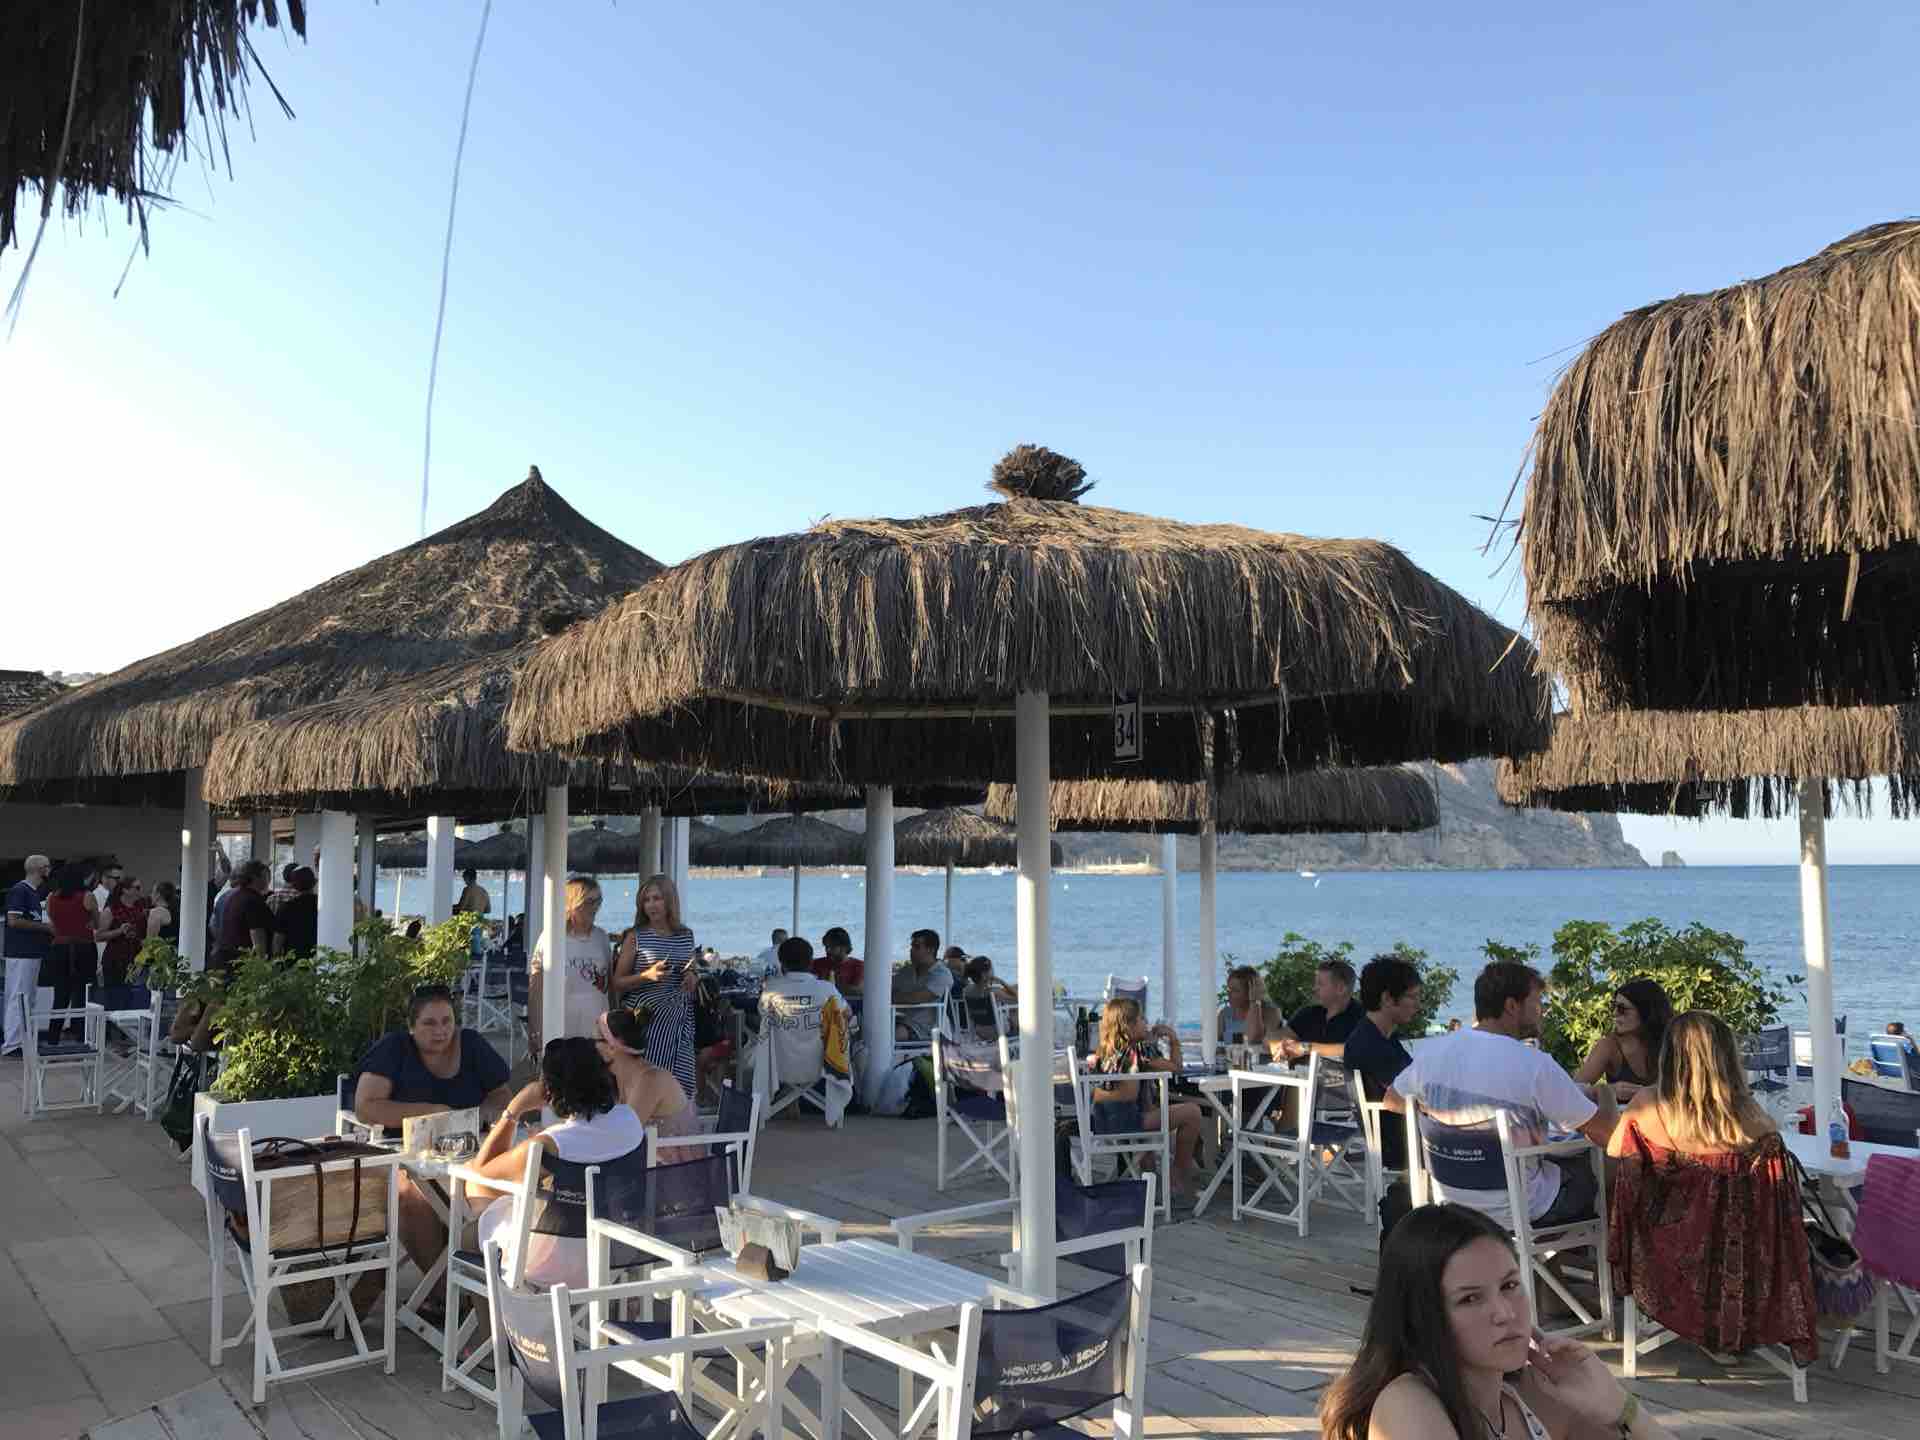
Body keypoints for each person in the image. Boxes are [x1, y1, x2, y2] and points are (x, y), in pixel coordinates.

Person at [1318, 1202, 1674, 1439]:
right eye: (1470, 1299)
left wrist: (1620, 1406)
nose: (1505, 1312)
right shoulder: (1406, 1405)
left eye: (1509, 1285)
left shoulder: (1528, 1395)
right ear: (1422, 1315)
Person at [1605, 1010, 1816, 1364]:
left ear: (1669, 1055)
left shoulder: (1649, 1106)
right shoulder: (1751, 1117)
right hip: (1746, 1256)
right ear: (1727, 1058)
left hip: (1670, 1252)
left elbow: (1616, 1153)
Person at [1387, 961, 1617, 1231]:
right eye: (1537, 1002)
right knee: (1612, 1164)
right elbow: (1608, 1135)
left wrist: (1445, 1118)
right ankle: (1607, 1267)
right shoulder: (1533, 1064)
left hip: (1451, 1201)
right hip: (1521, 1209)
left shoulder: (1433, 1053)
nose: (1542, 1011)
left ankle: (1534, 1271)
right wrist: (1606, 1092)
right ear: (1511, 1006)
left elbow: (1392, 1099)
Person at [352, 985, 514, 1282]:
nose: (440, 1031)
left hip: (467, 1152)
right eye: (429, 1023)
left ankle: (485, 1280)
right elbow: (365, 1107)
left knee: (502, 1190)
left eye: (447, 1021)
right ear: (412, 1027)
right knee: (410, 1197)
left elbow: (501, 1094)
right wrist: (433, 1112)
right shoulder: (394, 1048)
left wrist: (487, 1114)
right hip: (405, 1153)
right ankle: (441, 1293)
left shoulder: (472, 1044)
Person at [467, 1037, 646, 1290]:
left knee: (472, 1232)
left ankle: (506, 1326)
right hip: (616, 1254)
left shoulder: (549, 1144)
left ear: (548, 1090)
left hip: (555, 1266)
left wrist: (513, 1110)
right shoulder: (630, 1121)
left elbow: (480, 1175)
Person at [1088, 996, 1206, 1202]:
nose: (1147, 1023)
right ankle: (1176, 1177)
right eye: (1142, 1019)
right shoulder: (1139, 1050)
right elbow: (1175, 1068)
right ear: (1130, 1026)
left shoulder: (1105, 1050)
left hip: (1102, 1121)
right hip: (1128, 1123)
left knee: (1150, 1106)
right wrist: (1173, 1039)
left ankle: (1148, 1183)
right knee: (1192, 1112)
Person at [610, 873, 698, 1096]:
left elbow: (690, 968)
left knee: (679, 1086)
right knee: (646, 1086)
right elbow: (617, 983)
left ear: (669, 900)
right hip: (646, 1022)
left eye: (657, 898)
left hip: (678, 1020)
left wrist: (691, 976)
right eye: (646, 900)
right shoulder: (636, 937)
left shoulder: (685, 935)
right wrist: (647, 976)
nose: (651, 905)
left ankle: (675, 1129)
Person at [172, 860, 274, 1051]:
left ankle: (190, 1032)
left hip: (215, 962)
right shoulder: (254, 901)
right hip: (235, 971)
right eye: (266, 875)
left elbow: (213, 927)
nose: (268, 880)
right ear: (258, 877)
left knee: (202, 1008)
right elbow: (258, 944)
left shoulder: (225, 897)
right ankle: (201, 1037)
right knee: (214, 1016)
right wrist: (262, 973)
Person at [1345, 955, 1423, 1169]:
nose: (1418, 1005)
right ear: (1388, 998)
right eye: (1412, 997)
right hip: (1402, 1144)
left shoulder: (1378, 1035)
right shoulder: (1371, 1044)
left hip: (1400, 1136)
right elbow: (1405, 1095)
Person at [596, 1009, 699, 1162]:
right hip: (649, 1166)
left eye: (596, 1040)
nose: (593, 1046)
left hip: (674, 1173)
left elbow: (624, 1135)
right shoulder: (621, 1077)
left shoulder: (651, 1080)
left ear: (612, 1047)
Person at [528, 877, 613, 1054]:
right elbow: (536, 987)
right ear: (573, 903)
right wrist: (535, 1027)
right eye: (589, 901)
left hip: (597, 1032)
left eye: (599, 900)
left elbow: (610, 986)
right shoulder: (551, 937)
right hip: (561, 1032)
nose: (596, 907)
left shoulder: (601, 938)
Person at [1573, 978, 1672, 1101]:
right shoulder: (1609, 1046)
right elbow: (1573, 1091)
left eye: (1622, 1009)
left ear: (1646, 1012)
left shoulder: (1672, 1042)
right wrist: (1609, 1090)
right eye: (1613, 1007)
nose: (1614, 1013)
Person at [44, 863, 107, 1044]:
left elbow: (54, 924)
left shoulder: (51, 898)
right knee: (81, 993)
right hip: (83, 947)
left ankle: (53, 1037)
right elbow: (97, 924)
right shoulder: (87, 897)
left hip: (60, 948)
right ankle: (80, 1037)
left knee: (60, 995)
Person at [2, 855, 54, 1056]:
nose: (49, 871)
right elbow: (13, 920)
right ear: (40, 869)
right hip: (21, 952)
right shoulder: (20, 890)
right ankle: (12, 1044)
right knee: (19, 996)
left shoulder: (32, 892)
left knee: (27, 997)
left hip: (30, 951)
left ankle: (23, 1041)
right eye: (47, 867)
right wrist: (45, 927)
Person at [1274, 957, 1364, 1061]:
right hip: (1298, 1075)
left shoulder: (1362, 1019)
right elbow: (1275, 1041)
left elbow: (1353, 1050)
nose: (1314, 988)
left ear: (1341, 989)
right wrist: (1280, 1044)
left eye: (1320, 984)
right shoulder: (1308, 1014)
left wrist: (1305, 1048)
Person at [892, 928, 953, 1041]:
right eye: (912, 947)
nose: (911, 951)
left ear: (930, 950)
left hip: (926, 1029)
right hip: (901, 1021)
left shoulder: (942, 974)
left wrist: (894, 997)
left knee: (890, 1034)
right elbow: (886, 990)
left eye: (917, 947)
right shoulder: (907, 971)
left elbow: (917, 998)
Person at [1218, 964, 1282, 1053]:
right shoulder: (1225, 1014)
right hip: (1232, 1063)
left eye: (1235, 990)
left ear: (1251, 991)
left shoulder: (1270, 1012)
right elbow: (1212, 1043)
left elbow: (1253, 1038)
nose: (1229, 994)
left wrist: (1255, 1002)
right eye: (1229, 990)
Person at [100, 874, 147, 988]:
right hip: (115, 959)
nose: (140, 891)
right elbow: (98, 936)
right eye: (137, 888)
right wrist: (119, 931)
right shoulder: (111, 910)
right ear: (125, 890)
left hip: (136, 958)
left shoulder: (141, 908)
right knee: (115, 998)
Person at [272, 866, 319, 961]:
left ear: (294, 886)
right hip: (319, 960)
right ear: (314, 883)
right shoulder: (323, 906)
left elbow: (278, 941)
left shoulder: (286, 907)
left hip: (293, 963)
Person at [820, 926, 864, 993]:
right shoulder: (817, 964)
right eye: (826, 946)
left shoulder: (858, 966)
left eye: (832, 947)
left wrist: (827, 986)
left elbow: (858, 989)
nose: (827, 950)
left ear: (844, 947)